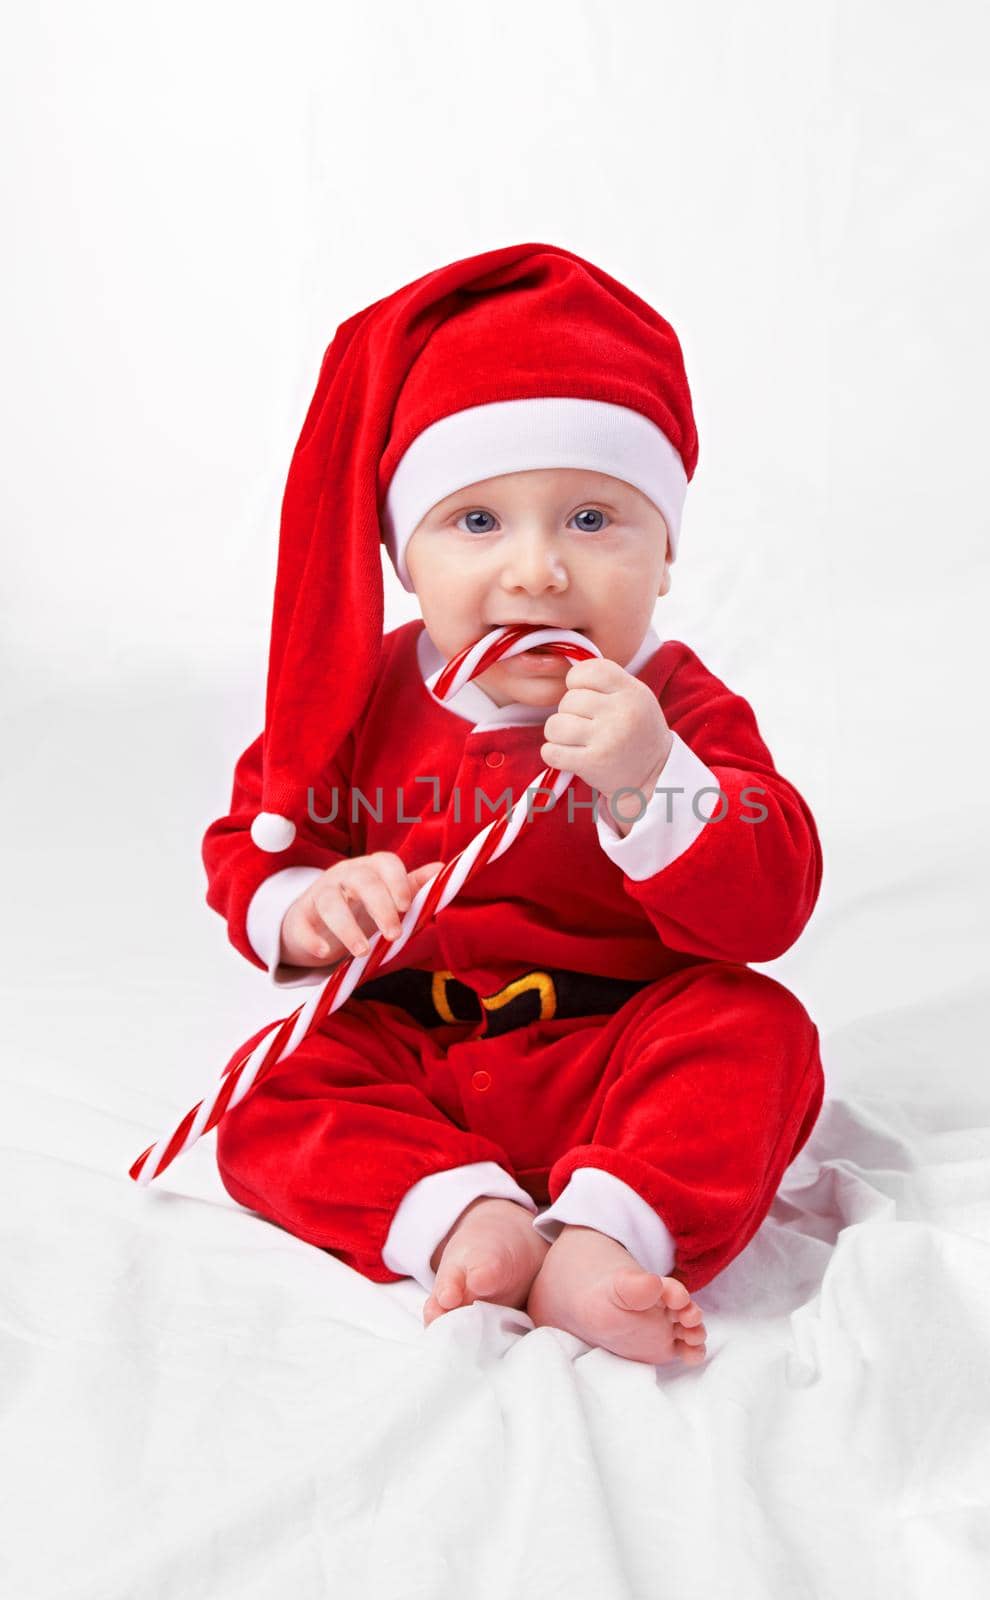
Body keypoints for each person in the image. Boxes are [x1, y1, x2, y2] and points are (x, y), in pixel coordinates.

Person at [203, 242, 825, 1367]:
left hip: (618, 1045)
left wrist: (651, 777)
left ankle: (606, 1232)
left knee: (757, 1031)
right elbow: (253, 839)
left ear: (667, 553)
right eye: (478, 522)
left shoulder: (677, 701)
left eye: (593, 520)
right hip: (422, 1045)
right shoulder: (359, 695)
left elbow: (769, 900)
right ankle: (460, 1215)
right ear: (405, 555)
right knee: (269, 1085)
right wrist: (310, 902)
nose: (538, 571)